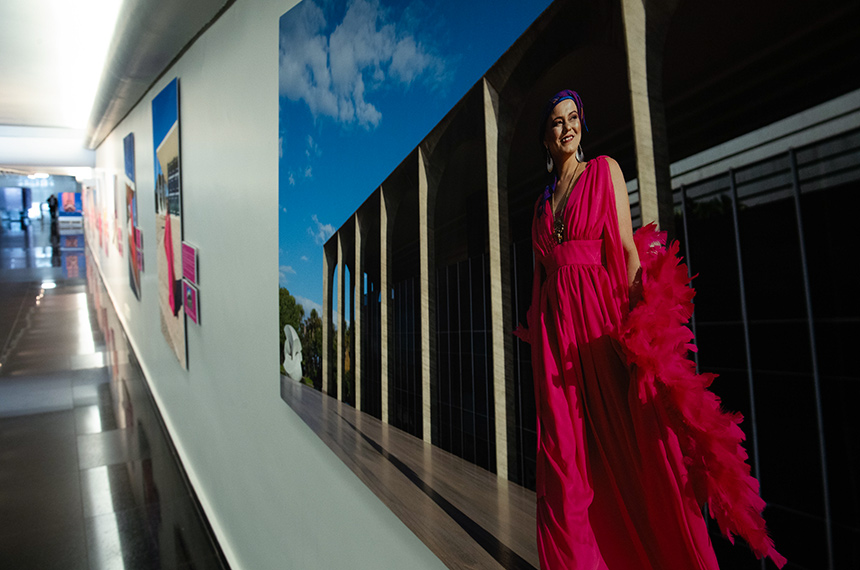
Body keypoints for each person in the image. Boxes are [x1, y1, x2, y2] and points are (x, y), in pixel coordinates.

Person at [514, 90, 785, 569]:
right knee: (563, 460)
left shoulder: (604, 171)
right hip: (557, 346)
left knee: (631, 445)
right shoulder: (538, 207)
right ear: (545, 137)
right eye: (556, 122)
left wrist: (648, 315)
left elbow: (624, 244)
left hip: (599, 324)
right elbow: (539, 280)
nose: (567, 127)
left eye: (574, 117)